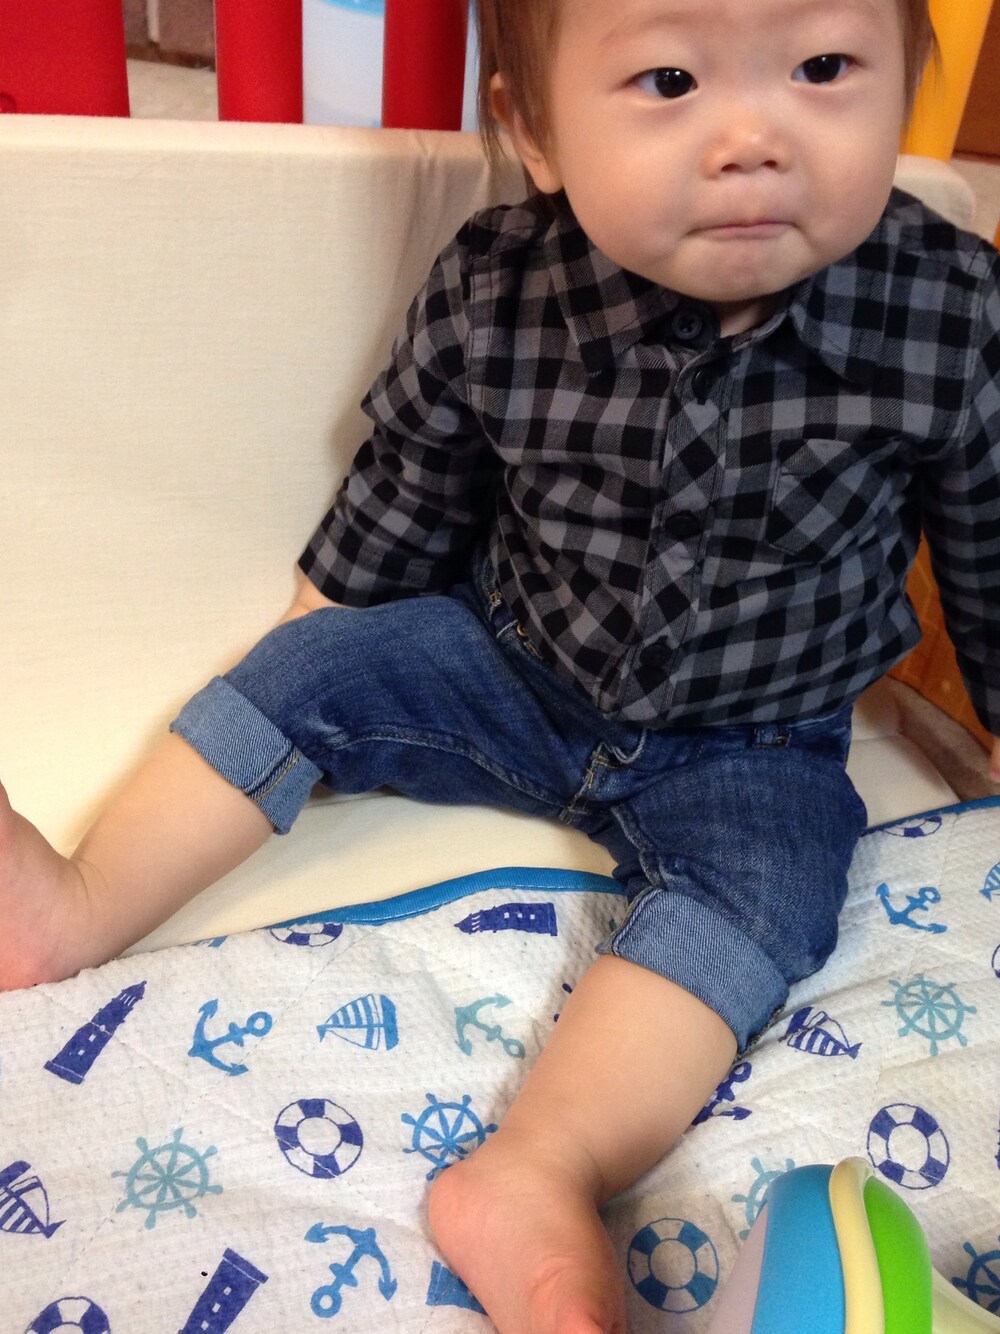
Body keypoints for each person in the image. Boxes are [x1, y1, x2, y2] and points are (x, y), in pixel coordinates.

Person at [3, 0, 999, 1327]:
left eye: (824, 68)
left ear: (904, 82)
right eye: (669, 80)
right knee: (309, 668)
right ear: (534, 131)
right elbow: (408, 485)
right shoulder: (497, 281)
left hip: (757, 742)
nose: (753, 138)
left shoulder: (950, 307)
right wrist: (323, 633)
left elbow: (989, 545)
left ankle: (538, 1168)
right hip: (510, 665)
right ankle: (73, 908)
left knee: (777, 877)